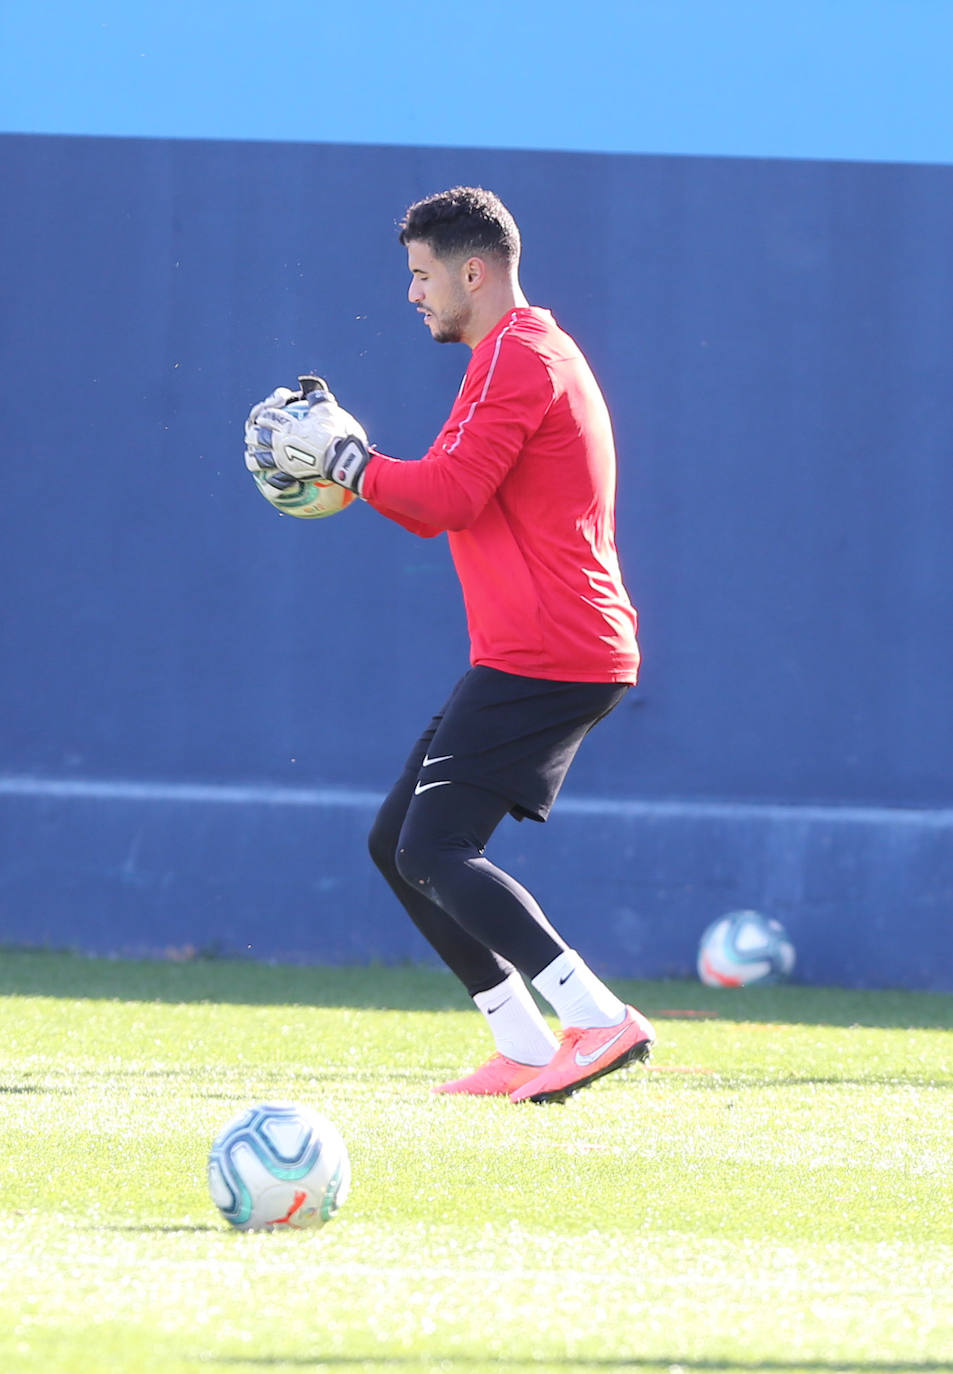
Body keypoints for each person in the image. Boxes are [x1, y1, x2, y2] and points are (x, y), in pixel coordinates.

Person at [245, 186, 655, 1104]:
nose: (411, 293)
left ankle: (595, 1020)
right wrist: (358, 466)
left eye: (421, 275)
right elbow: (441, 488)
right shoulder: (510, 353)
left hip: (550, 649)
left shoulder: (518, 359)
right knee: (397, 841)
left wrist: (345, 461)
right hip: (537, 646)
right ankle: (517, 1040)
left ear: (474, 271)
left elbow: (442, 502)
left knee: (435, 847)